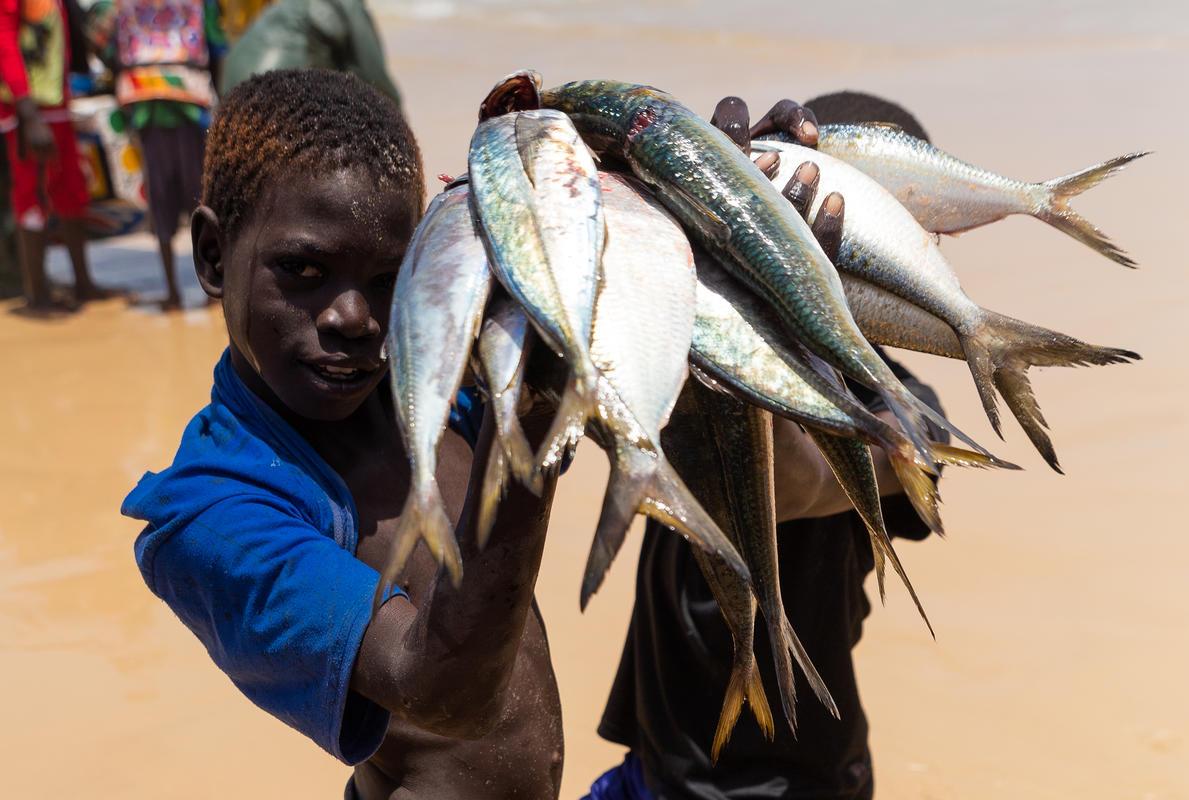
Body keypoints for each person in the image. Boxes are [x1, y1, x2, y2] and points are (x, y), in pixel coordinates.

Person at [122, 69, 569, 800]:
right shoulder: (214, 515)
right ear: (212, 255)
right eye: (304, 270)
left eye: (391, 278)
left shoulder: (423, 389)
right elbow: (441, 692)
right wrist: (535, 420)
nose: (354, 318)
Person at [587, 92, 946, 800]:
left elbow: (790, 484)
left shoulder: (912, 415)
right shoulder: (695, 338)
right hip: (655, 767)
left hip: (791, 784)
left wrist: (775, 301)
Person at [88, 0, 226, 309]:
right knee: (200, 199)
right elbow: (216, 48)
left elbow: (102, 45)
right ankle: (210, 291)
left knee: (166, 196)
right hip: (186, 104)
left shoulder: (120, 5)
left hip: (152, 106)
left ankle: (176, 292)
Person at [0, 0, 102, 309]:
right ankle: (37, 293)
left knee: (71, 186)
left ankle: (83, 283)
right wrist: (26, 108)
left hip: (56, 102)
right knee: (30, 194)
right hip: (27, 109)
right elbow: (4, 39)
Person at [218, 0, 401, 106]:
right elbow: (377, 81)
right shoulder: (348, 4)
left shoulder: (283, 6)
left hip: (229, 94)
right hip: (273, 101)